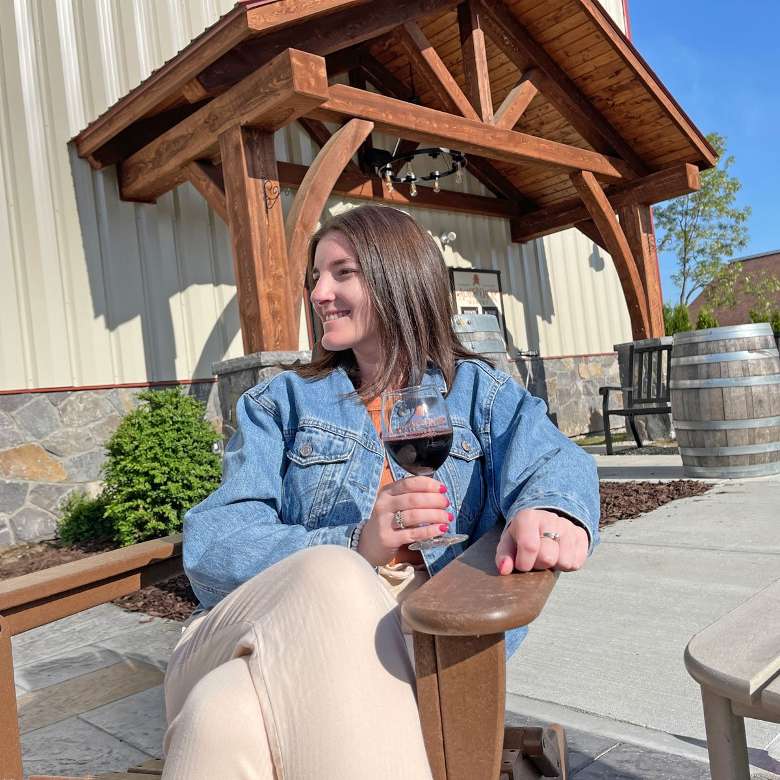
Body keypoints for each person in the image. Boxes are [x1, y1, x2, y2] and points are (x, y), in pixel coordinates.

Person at [161, 204, 600, 779]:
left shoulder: (477, 394)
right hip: (251, 629)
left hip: (416, 640)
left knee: (219, 716)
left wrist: (547, 508)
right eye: (316, 277)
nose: (319, 293)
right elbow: (215, 545)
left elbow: (555, 458)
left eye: (342, 272)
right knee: (335, 571)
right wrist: (357, 542)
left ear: (398, 276)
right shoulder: (279, 404)